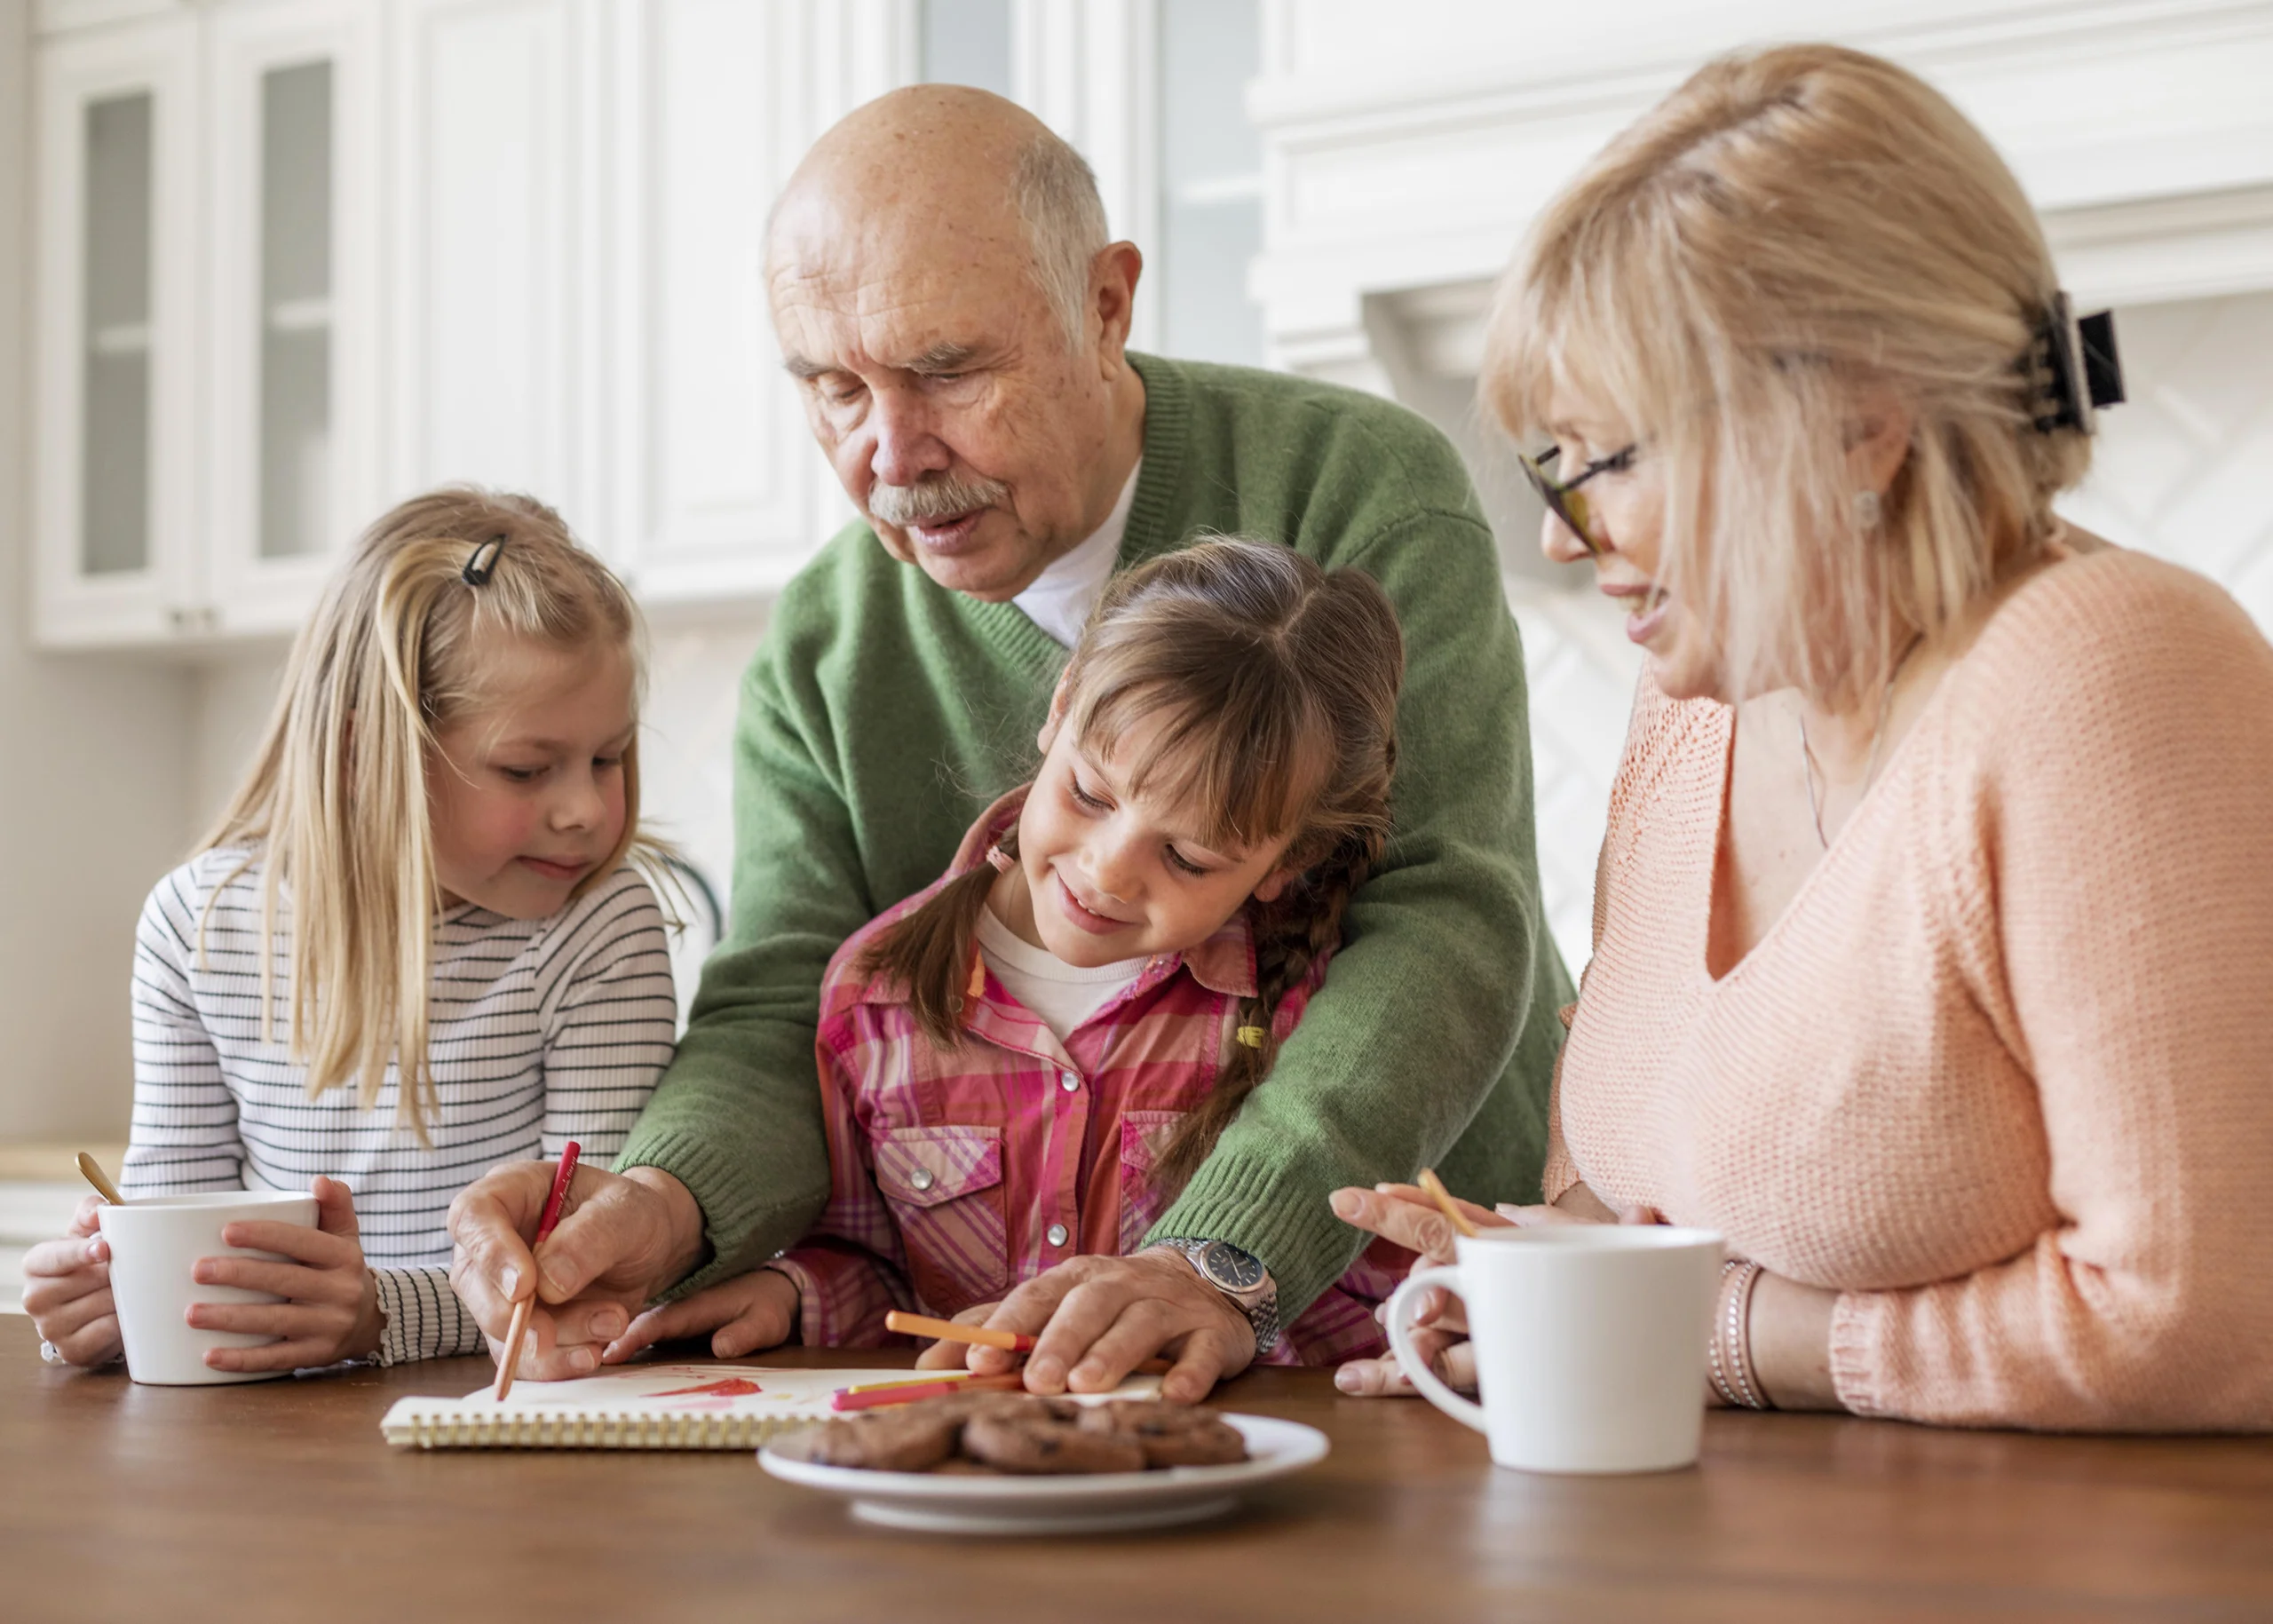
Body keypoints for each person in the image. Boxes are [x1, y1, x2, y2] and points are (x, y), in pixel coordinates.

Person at [447, 84, 1572, 1402]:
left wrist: (1220, 1259)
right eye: (832, 388)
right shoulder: (823, 642)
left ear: (1105, 305)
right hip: (1052, 1369)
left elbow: (1446, 916)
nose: (890, 453)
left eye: (945, 371)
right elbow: (779, 1001)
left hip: (1420, 1338)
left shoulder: (1354, 486)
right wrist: (666, 1197)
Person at [1332, 43, 2273, 1430]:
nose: (1558, 532)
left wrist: (1716, 1334)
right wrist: (1545, 1277)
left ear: (1859, 425)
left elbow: (2204, 1316)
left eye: (1610, 463)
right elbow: (1645, 1180)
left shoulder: (2110, 671)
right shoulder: (1692, 704)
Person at [606, 539, 1414, 1380]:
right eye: (1090, 794)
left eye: (1189, 859)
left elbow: (1357, 1293)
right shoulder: (877, 995)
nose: (1106, 870)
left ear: (1287, 863)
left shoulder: (1307, 1019)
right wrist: (797, 1293)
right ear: (1061, 707)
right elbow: (879, 1263)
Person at [21, 489, 678, 1374]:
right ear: (367, 756)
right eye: (528, 767)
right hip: (263, 1445)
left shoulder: (599, 928)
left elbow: (597, 1273)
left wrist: (381, 1312)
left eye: (609, 757)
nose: (585, 809)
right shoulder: (200, 924)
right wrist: (110, 1298)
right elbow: (178, 1230)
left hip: (500, 1428)